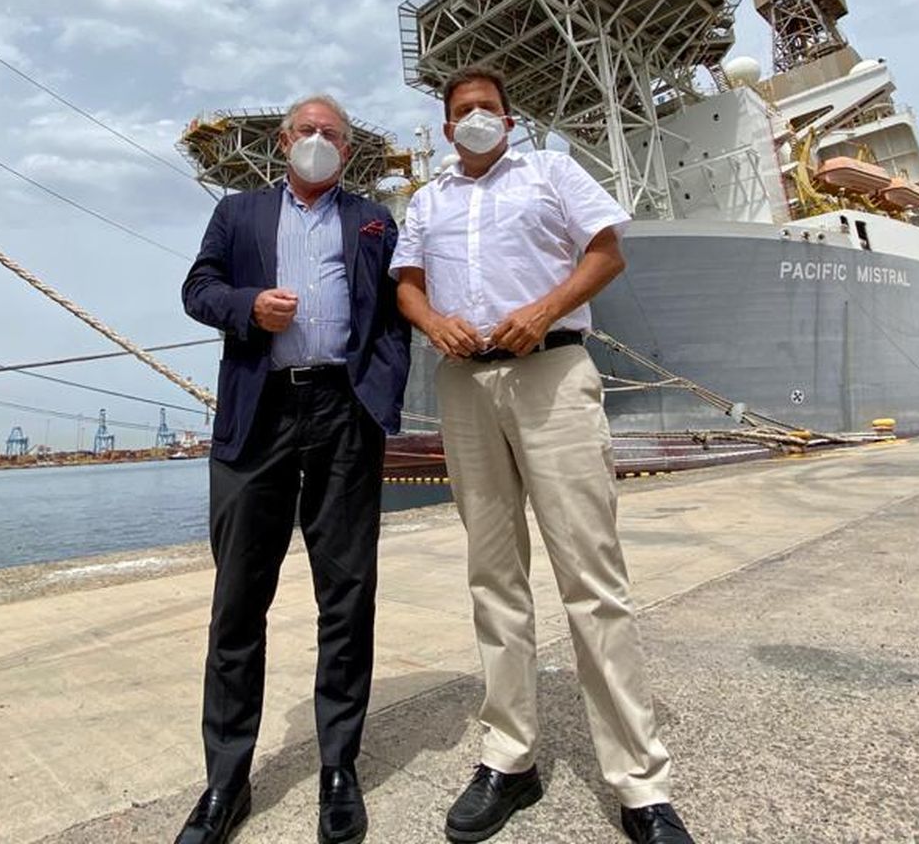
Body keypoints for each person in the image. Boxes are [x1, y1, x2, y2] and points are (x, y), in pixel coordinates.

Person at [390, 66, 693, 844]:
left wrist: (544, 308)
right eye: (461, 112)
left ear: (511, 118)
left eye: (487, 108)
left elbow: (606, 254)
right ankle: (509, 759)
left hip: (553, 373)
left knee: (591, 578)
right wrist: (432, 325)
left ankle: (639, 784)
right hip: (465, 385)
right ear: (446, 124)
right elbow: (408, 285)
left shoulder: (552, 171)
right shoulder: (427, 200)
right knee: (494, 577)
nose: (475, 120)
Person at [177, 94, 411, 844]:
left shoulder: (373, 218)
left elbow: (398, 313)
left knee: (347, 594)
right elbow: (198, 290)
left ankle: (338, 768)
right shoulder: (238, 214)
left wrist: (382, 391)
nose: (319, 141)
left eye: (331, 135)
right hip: (260, 414)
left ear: (348, 150)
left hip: (344, 413)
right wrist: (249, 305)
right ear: (284, 142)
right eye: (307, 131)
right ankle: (226, 783)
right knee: (238, 602)